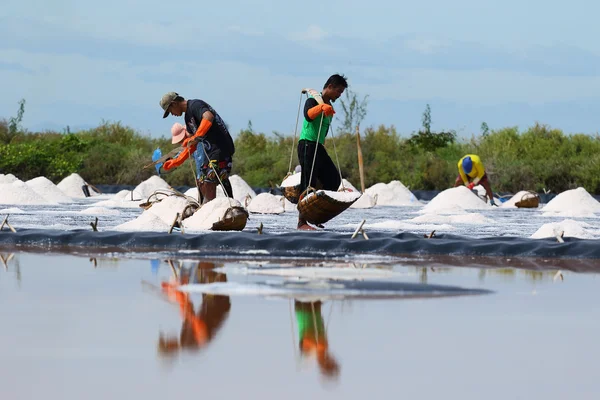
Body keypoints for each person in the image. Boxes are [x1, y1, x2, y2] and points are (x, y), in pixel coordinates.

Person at [159, 92, 234, 202]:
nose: (172, 114)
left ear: (174, 104)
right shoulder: (188, 118)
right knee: (204, 178)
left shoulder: (195, 105)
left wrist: (197, 136)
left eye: (170, 111)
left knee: (209, 179)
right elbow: (192, 144)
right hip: (212, 152)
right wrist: (177, 161)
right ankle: (226, 204)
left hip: (221, 148)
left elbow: (208, 116)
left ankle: (209, 209)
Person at [297, 74, 348, 230]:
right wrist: (321, 107)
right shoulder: (313, 101)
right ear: (330, 86)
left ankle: (316, 214)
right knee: (308, 182)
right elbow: (308, 116)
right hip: (307, 144)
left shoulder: (329, 107)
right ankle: (302, 222)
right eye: (338, 91)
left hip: (318, 147)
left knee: (333, 180)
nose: (339, 95)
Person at [295, 300, 340, 380]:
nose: (333, 357)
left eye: (332, 361)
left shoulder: (311, 353)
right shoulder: (323, 347)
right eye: (333, 360)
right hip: (310, 308)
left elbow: (303, 342)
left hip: (304, 308)